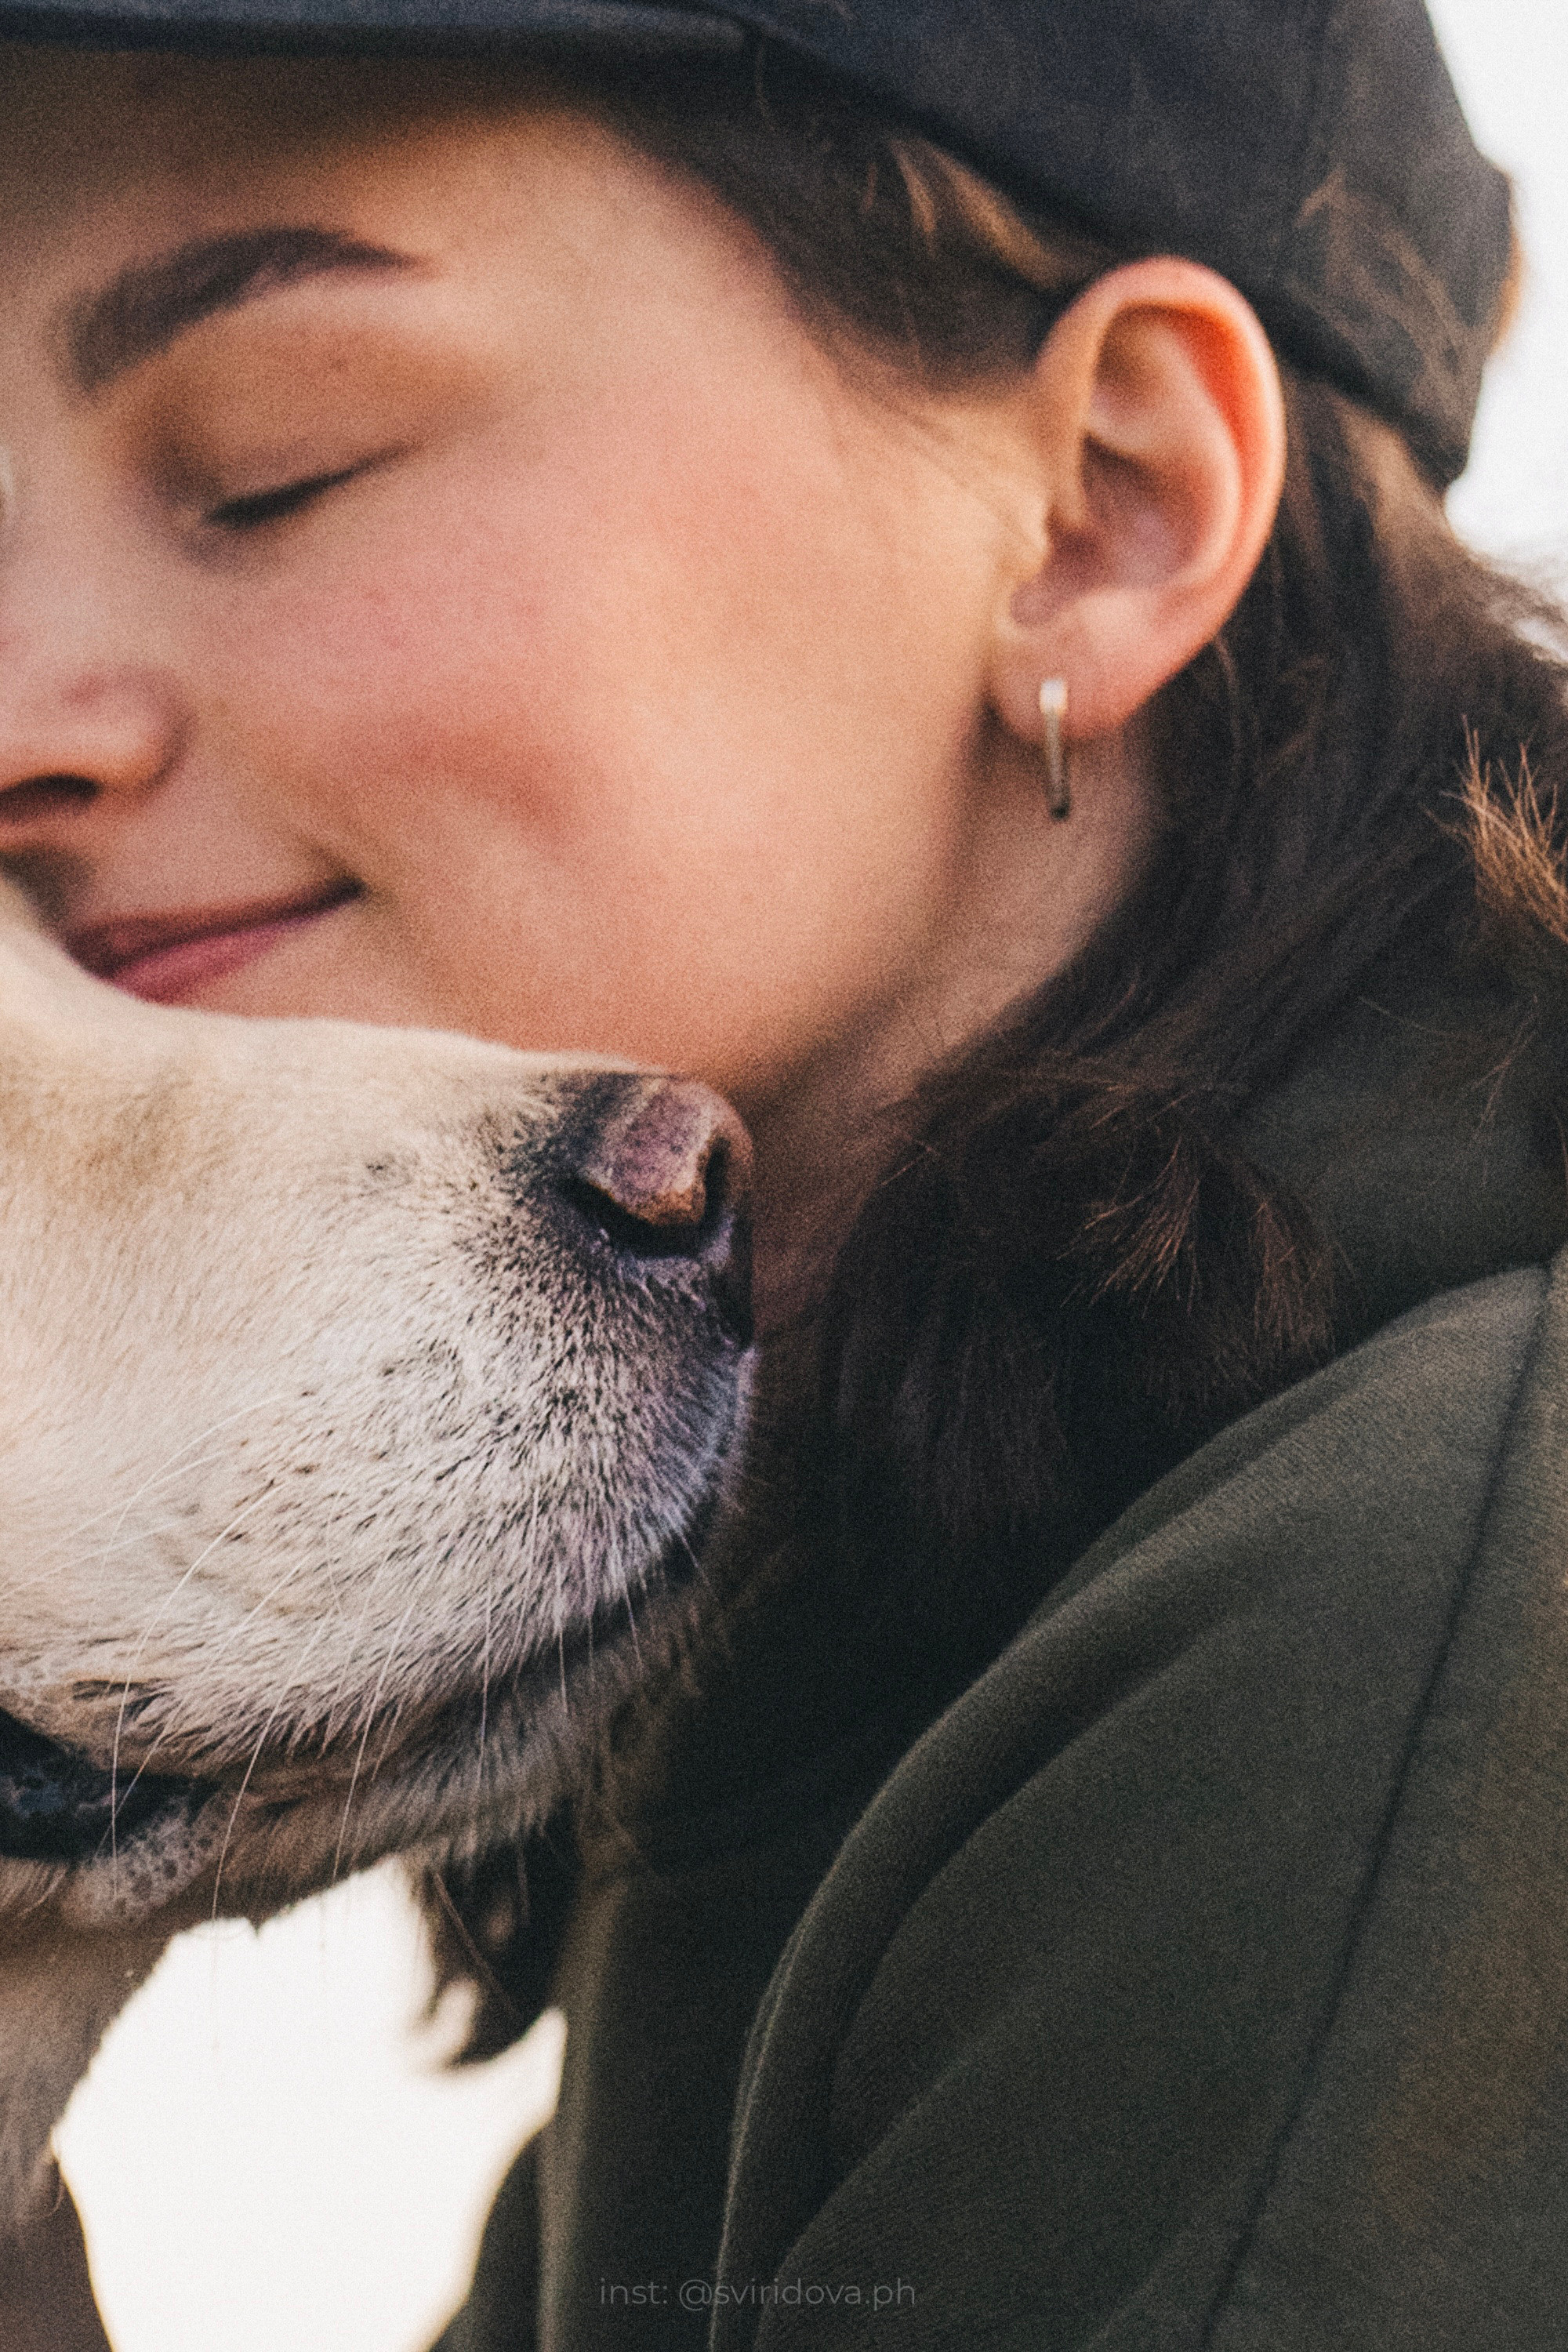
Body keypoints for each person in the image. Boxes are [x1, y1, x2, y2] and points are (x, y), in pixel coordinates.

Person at [2, 2, 1567, 2345]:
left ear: (1104, 505)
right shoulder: (850, 1662)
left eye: (272, 472)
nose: (17, 714)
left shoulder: (1407, 1677)